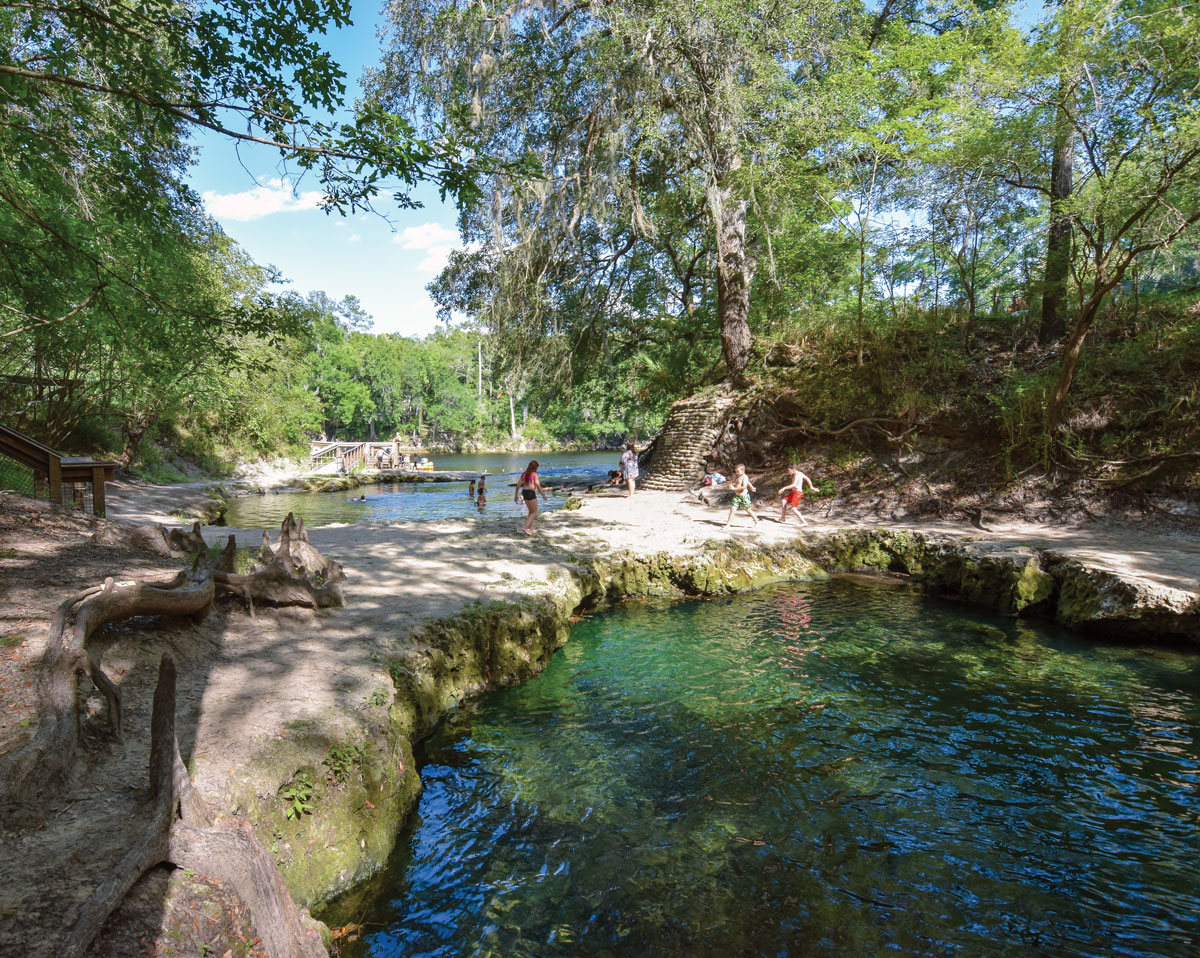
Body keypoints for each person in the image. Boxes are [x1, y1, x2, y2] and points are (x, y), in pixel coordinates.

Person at [514, 459, 549, 535]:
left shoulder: (524, 473)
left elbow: (518, 485)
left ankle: (531, 529)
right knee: (535, 512)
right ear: (535, 467)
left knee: (531, 512)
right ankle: (525, 528)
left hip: (524, 493)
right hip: (530, 493)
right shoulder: (535, 474)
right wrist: (543, 494)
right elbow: (538, 485)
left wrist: (516, 495)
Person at [724, 464, 758, 528]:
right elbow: (747, 482)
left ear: (743, 471)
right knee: (732, 509)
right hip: (737, 496)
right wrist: (751, 487)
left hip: (744, 496)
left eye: (738, 472)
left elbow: (744, 486)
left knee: (748, 510)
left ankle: (756, 521)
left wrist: (734, 489)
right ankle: (728, 524)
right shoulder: (739, 477)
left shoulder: (744, 477)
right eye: (736, 471)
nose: (736, 473)